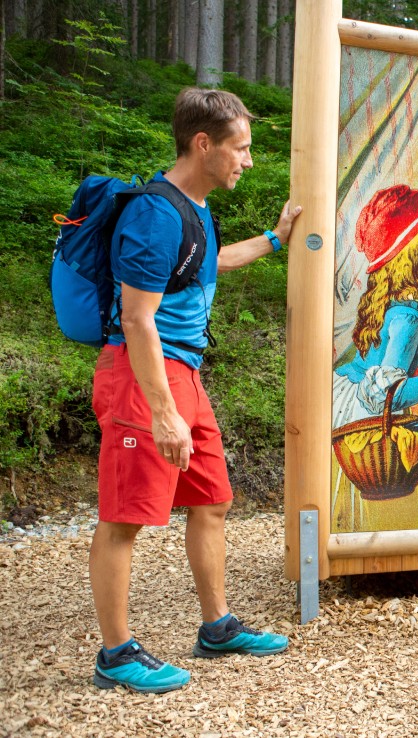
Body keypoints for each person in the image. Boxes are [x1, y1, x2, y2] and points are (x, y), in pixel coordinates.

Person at [89, 88, 302, 693]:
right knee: (125, 517)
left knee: (211, 498)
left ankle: (217, 627)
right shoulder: (156, 213)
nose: (249, 161)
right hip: (141, 374)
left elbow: (207, 263)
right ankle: (116, 654)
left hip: (182, 373)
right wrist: (162, 413)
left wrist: (276, 238)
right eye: (241, 148)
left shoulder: (194, 208)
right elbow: (136, 319)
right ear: (203, 144)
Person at [329, 185, 418, 532]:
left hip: (349, 393)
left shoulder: (405, 307)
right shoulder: (407, 319)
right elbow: (382, 396)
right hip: (363, 417)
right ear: (413, 253)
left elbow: (391, 363)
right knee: (382, 496)